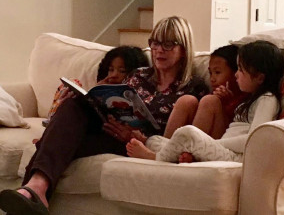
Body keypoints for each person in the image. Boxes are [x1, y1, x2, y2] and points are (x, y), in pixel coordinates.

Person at [0, 16, 208, 215]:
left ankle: (33, 190)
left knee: (53, 143)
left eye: (168, 44)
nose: (158, 50)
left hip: (136, 144)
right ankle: (36, 189)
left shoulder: (193, 88)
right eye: (154, 43)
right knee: (74, 104)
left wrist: (138, 138)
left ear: (183, 48)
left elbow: (176, 140)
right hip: (110, 129)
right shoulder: (140, 75)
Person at [126, 40, 284, 164]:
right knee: (155, 140)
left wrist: (215, 143)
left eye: (241, 70)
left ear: (260, 77)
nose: (237, 75)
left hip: (236, 157)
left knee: (187, 133)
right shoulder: (250, 101)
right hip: (224, 148)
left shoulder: (267, 99)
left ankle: (156, 159)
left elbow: (255, 140)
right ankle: (162, 150)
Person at [43, 45, 149, 127]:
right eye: (111, 69)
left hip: (109, 134)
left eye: (122, 71)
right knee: (70, 101)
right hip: (89, 125)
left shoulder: (142, 96)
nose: (113, 75)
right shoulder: (102, 87)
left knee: (71, 108)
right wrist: (95, 91)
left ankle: (52, 128)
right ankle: (53, 124)